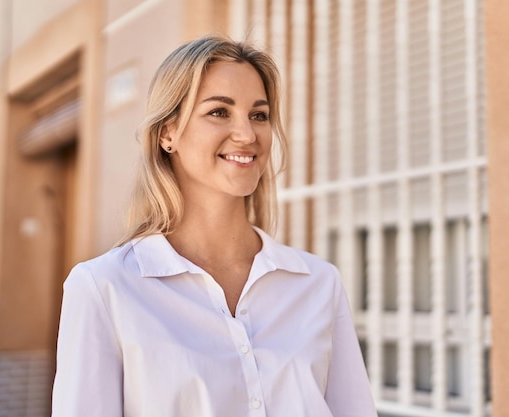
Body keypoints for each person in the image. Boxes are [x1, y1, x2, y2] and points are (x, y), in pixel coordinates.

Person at [51, 35, 377, 417]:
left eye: (259, 115)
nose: (247, 134)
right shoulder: (104, 289)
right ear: (167, 133)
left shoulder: (318, 283)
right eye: (219, 112)